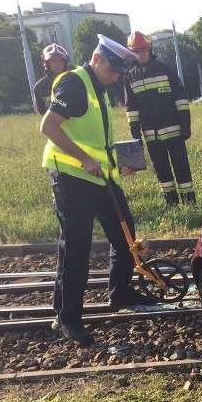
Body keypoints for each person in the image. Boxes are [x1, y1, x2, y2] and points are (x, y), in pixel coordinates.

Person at [40, 34, 157, 346]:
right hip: (70, 176)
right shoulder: (75, 83)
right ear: (98, 58)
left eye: (120, 73)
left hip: (98, 177)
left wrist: (118, 166)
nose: (116, 77)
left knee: (124, 234)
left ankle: (120, 293)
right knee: (76, 248)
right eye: (113, 71)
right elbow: (48, 126)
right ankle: (67, 319)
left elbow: (96, 142)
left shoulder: (99, 88)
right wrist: (84, 159)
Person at [124, 31, 195, 207]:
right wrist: (135, 133)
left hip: (174, 131)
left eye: (143, 51)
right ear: (131, 54)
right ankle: (170, 203)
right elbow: (131, 108)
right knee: (161, 170)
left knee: (181, 167)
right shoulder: (130, 77)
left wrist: (185, 124)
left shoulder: (165, 70)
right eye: (137, 52)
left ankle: (190, 202)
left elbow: (181, 99)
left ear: (150, 50)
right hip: (151, 134)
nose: (141, 55)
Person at [33, 43, 70, 115]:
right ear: (46, 63)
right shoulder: (40, 87)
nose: (57, 65)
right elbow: (42, 112)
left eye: (59, 61)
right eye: (53, 61)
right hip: (52, 124)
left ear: (65, 63)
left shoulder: (74, 81)